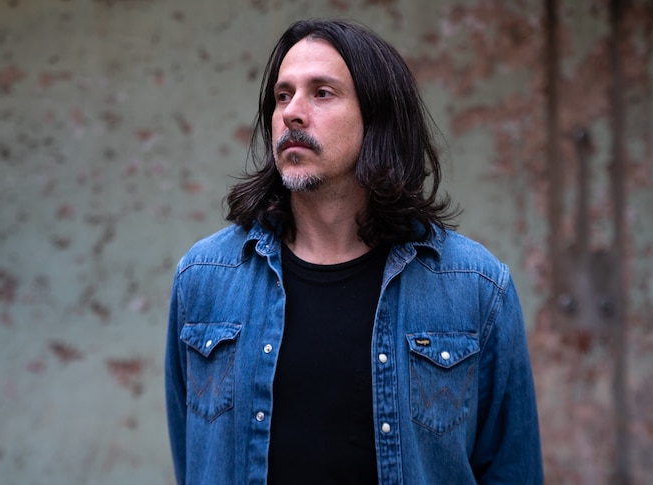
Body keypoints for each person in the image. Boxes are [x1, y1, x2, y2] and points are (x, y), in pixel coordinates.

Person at [164, 18, 543, 485]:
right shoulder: (205, 278)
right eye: (283, 96)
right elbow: (194, 464)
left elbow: (512, 469)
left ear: (377, 118)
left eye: (322, 93)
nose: (292, 113)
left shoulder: (475, 287)